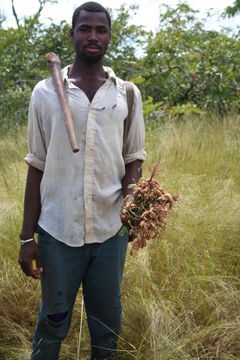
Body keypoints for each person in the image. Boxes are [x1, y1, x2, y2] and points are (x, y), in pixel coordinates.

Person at [18, 2, 146, 359]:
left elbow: (134, 158)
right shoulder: (44, 93)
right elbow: (36, 166)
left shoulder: (127, 95)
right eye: (85, 29)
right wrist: (28, 237)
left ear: (108, 36)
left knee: (106, 326)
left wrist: (133, 198)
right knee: (52, 323)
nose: (93, 36)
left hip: (110, 231)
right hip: (58, 232)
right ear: (71, 34)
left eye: (100, 30)